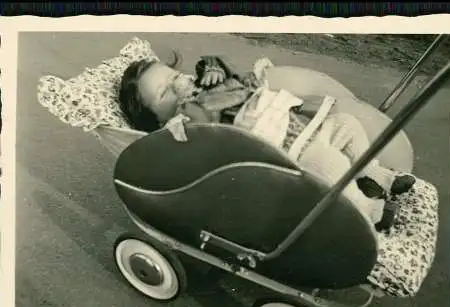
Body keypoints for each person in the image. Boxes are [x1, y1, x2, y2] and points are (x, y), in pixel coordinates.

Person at [118, 55, 416, 231]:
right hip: (290, 158)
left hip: (301, 128)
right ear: (158, 121)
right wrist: (192, 108)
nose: (178, 84)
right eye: (165, 92)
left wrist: (214, 66)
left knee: (347, 126)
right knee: (328, 160)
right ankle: (370, 211)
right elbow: (202, 127)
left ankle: (379, 176)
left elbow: (239, 84)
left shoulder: (213, 85)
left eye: (174, 76)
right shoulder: (184, 122)